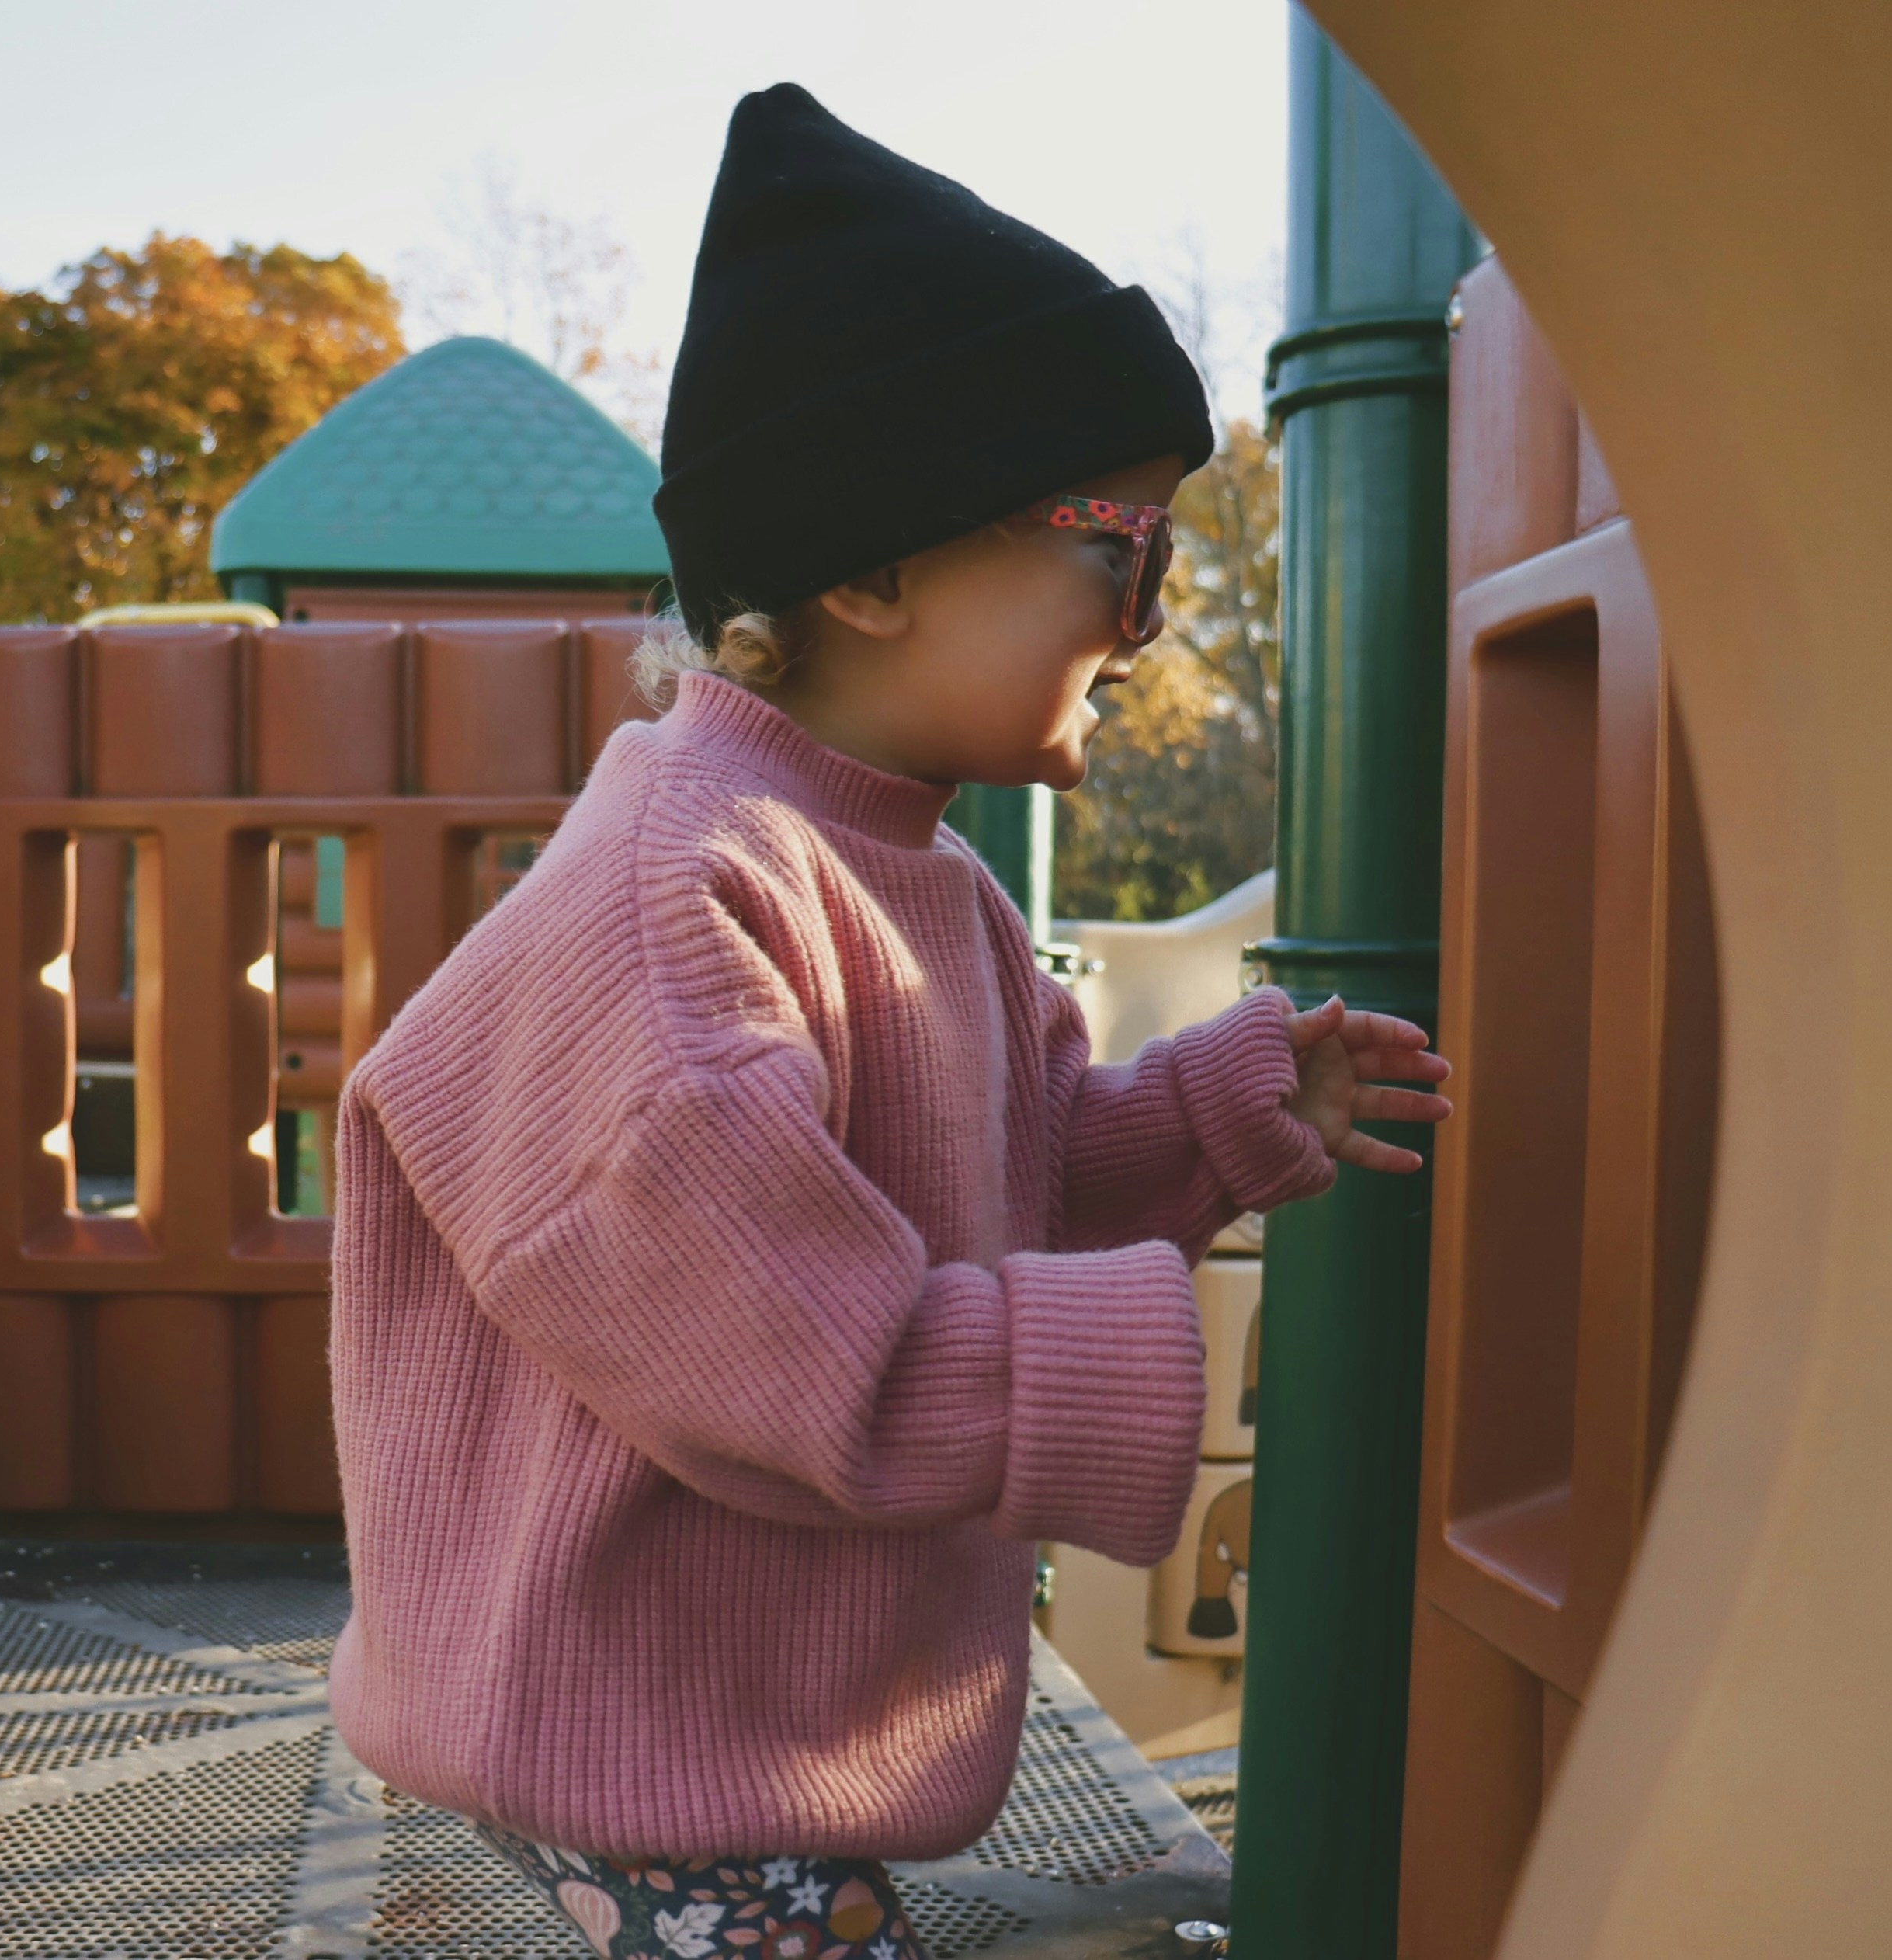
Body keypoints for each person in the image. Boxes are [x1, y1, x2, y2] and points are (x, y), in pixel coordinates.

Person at [325, 86, 1453, 1957]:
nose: (1152, 617)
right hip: (648, 1742)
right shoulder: (679, 900)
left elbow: (1014, 1166)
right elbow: (814, 1362)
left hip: (754, 1714)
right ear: (867, 566)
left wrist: (1210, 1114)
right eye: (1121, 549)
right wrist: (1153, 1358)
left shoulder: (913, 864)